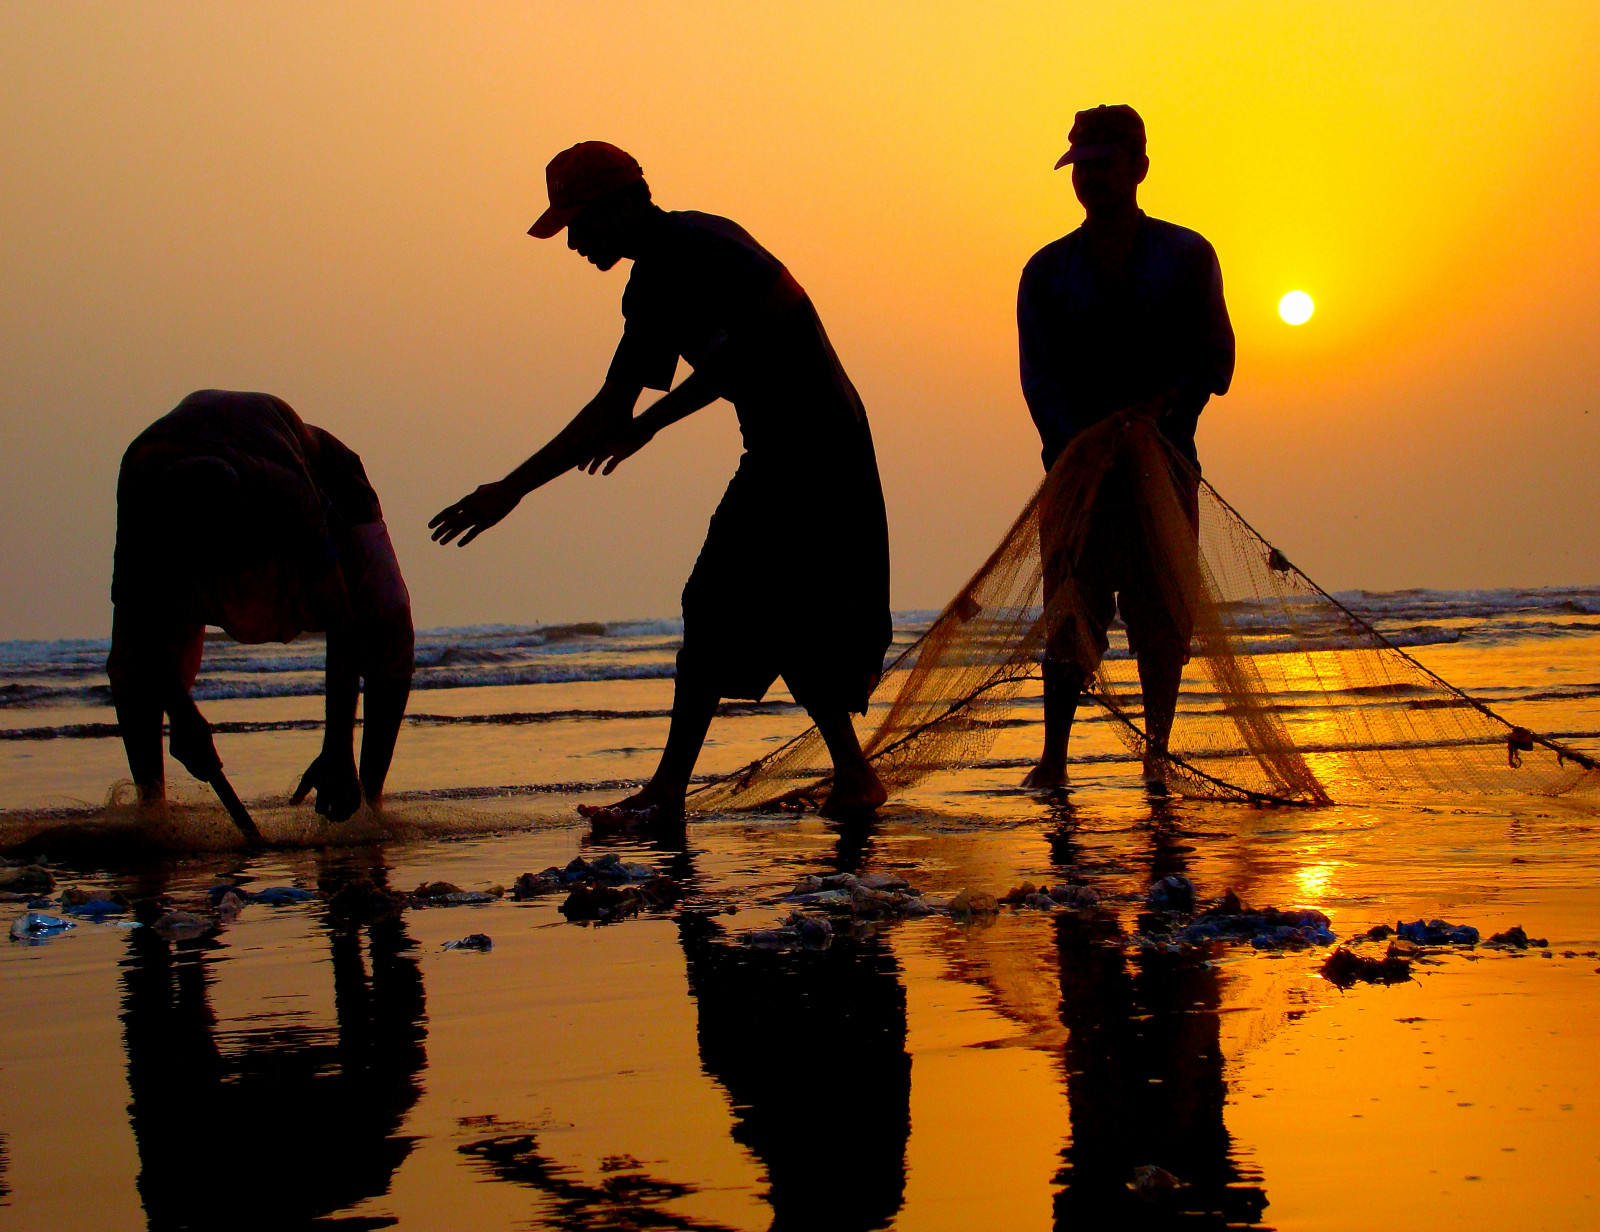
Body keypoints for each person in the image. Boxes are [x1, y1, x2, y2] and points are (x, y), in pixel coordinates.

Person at [430, 141, 891, 824]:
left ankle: (669, 795)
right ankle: (850, 774)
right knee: (779, 619)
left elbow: (715, 369)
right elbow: (662, 388)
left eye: (580, 223)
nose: (574, 243)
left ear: (622, 204)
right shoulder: (663, 273)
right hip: (792, 451)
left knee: (712, 602)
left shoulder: (695, 249)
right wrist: (621, 439)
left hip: (815, 453)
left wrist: (537, 477)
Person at [1017, 105, 1235, 790]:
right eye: (1081, 169)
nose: (1092, 181)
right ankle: (1054, 759)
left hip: (1162, 466)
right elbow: (1038, 378)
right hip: (1077, 473)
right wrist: (1080, 442)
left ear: (1139, 168)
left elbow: (1216, 362)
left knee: (1160, 615)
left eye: (1105, 166)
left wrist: (1160, 409)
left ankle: (1158, 751)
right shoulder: (1047, 271)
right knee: (1070, 615)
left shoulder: (1188, 255)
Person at [108, 390, 414, 821]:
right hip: (190, 497)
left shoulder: (285, 491)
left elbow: (342, 622)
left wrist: (337, 750)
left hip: (330, 481)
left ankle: (366, 799)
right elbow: (138, 621)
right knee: (129, 662)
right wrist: (180, 712)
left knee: (386, 613)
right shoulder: (141, 482)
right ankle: (151, 808)